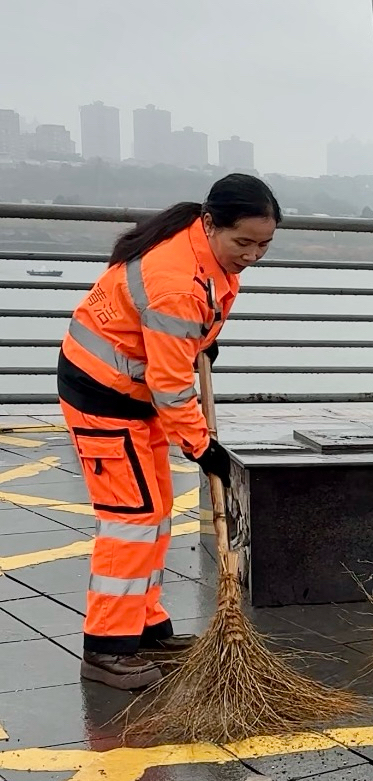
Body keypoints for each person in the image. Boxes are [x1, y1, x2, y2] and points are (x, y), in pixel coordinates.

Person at [57, 173, 281, 690]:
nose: (252, 254)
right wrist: (203, 448)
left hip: (133, 393)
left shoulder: (205, 252)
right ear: (210, 223)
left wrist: (199, 340)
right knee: (131, 519)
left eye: (264, 245)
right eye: (243, 242)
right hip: (105, 398)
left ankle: (144, 629)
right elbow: (171, 386)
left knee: (154, 513)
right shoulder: (176, 279)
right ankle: (106, 649)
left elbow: (178, 342)